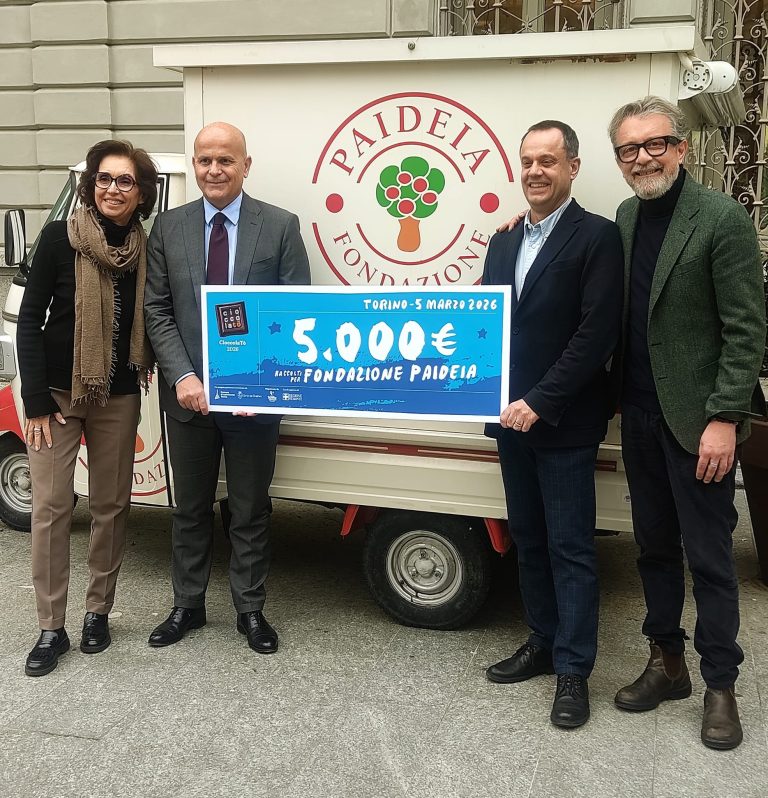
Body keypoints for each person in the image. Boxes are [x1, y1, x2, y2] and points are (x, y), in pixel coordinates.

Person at [608, 97, 765, 750]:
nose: (643, 158)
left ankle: (720, 685)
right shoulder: (626, 217)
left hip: (699, 425)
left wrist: (725, 417)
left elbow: (746, 328)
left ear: (681, 147)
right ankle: (667, 663)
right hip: (640, 416)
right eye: (629, 149)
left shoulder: (721, 218)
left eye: (655, 144)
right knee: (652, 548)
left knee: (710, 559)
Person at [144, 121, 310, 654]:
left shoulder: (279, 226)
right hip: (188, 398)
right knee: (189, 508)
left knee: (249, 508)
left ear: (245, 165)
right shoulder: (168, 228)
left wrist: (257, 387)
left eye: (225, 160)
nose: (214, 170)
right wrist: (184, 376)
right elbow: (157, 310)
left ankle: (250, 610)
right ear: (194, 164)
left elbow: (294, 313)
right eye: (204, 160)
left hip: (254, 404)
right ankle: (187, 605)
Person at [482, 121, 623, 728]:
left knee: (571, 549)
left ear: (573, 167)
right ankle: (541, 642)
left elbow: (596, 335)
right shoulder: (503, 241)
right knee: (529, 539)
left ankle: (573, 671)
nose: (536, 171)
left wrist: (540, 400)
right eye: (528, 161)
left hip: (562, 423)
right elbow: (485, 322)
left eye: (548, 160)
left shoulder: (598, 237)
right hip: (508, 421)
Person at [17, 140, 157, 676]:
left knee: (111, 506)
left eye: (125, 181)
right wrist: (33, 399)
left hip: (118, 396)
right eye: (104, 178)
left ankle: (98, 611)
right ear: (90, 183)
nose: (112, 189)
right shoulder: (60, 237)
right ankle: (51, 627)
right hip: (55, 397)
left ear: (141, 193)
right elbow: (30, 320)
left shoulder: (145, 248)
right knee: (51, 509)